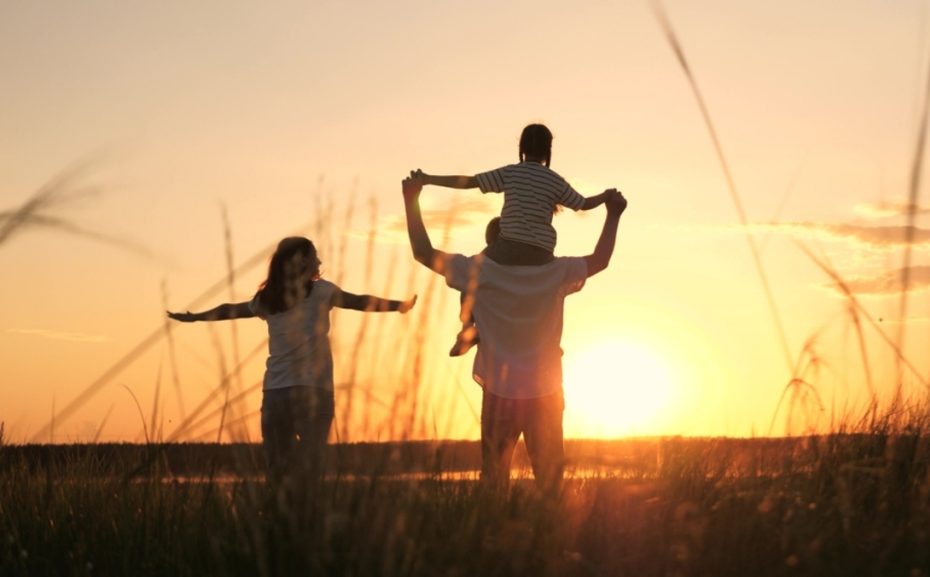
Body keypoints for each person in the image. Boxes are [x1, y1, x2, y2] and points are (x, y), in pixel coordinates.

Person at [402, 174, 627, 495]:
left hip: (500, 394)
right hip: (546, 392)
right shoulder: (556, 272)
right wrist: (613, 214)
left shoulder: (479, 270)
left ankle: (497, 540)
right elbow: (600, 260)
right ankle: (550, 541)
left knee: (494, 482)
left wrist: (411, 198)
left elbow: (423, 252)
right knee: (550, 486)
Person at [167, 236, 416, 485]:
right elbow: (360, 302)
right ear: (301, 261)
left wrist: (197, 317)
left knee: (277, 474)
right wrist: (399, 306)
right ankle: (304, 521)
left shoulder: (268, 299)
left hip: (276, 394)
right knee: (311, 474)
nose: (319, 260)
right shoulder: (322, 292)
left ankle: (279, 520)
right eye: (314, 255)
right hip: (313, 393)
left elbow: (229, 310)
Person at [413, 123, 615, 266]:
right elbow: (584, 204)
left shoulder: (511, 173)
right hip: (543, 254)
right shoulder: (555, 180)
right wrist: (606, 196)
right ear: (548, 151)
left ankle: (468, 321)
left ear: (522, 148)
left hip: (508, 248)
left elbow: (470, 182)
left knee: (475, 270)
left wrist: (430, 179)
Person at [450, 216, 500, 356]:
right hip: (492, 305)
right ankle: (468, 329)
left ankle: (468, 329)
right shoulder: (484, 259)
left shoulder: (482, 259)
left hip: (492, 305)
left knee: (467, 285)